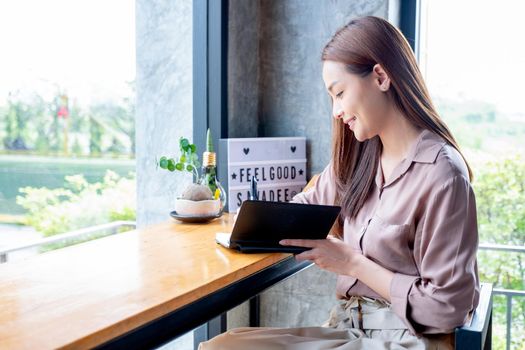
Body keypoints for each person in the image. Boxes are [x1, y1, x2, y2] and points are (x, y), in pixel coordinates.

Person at [200, 16, 479, 349]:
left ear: (380, 76)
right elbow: (304, 208)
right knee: (223, 346)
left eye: (340, 93)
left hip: (406, 339)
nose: (336, 111)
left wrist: (352, 263)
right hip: (347, 327)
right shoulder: (361, 157)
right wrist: (245, 222)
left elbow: (447, 309)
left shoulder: (442, 174)